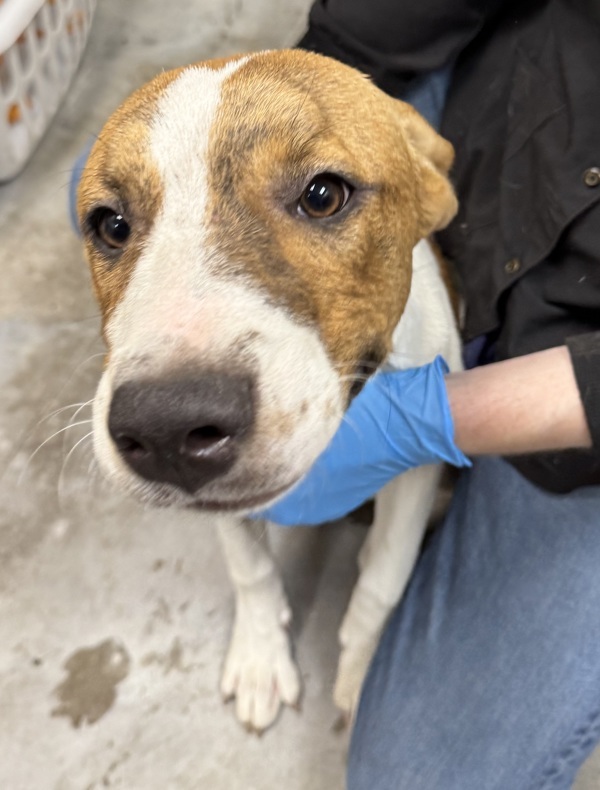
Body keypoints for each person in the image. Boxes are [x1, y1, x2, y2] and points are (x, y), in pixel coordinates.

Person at [256, 1, 600, 787]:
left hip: (579, 434)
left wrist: (434, 418)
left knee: (416, 777)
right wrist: (300, 91)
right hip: (517, 98)